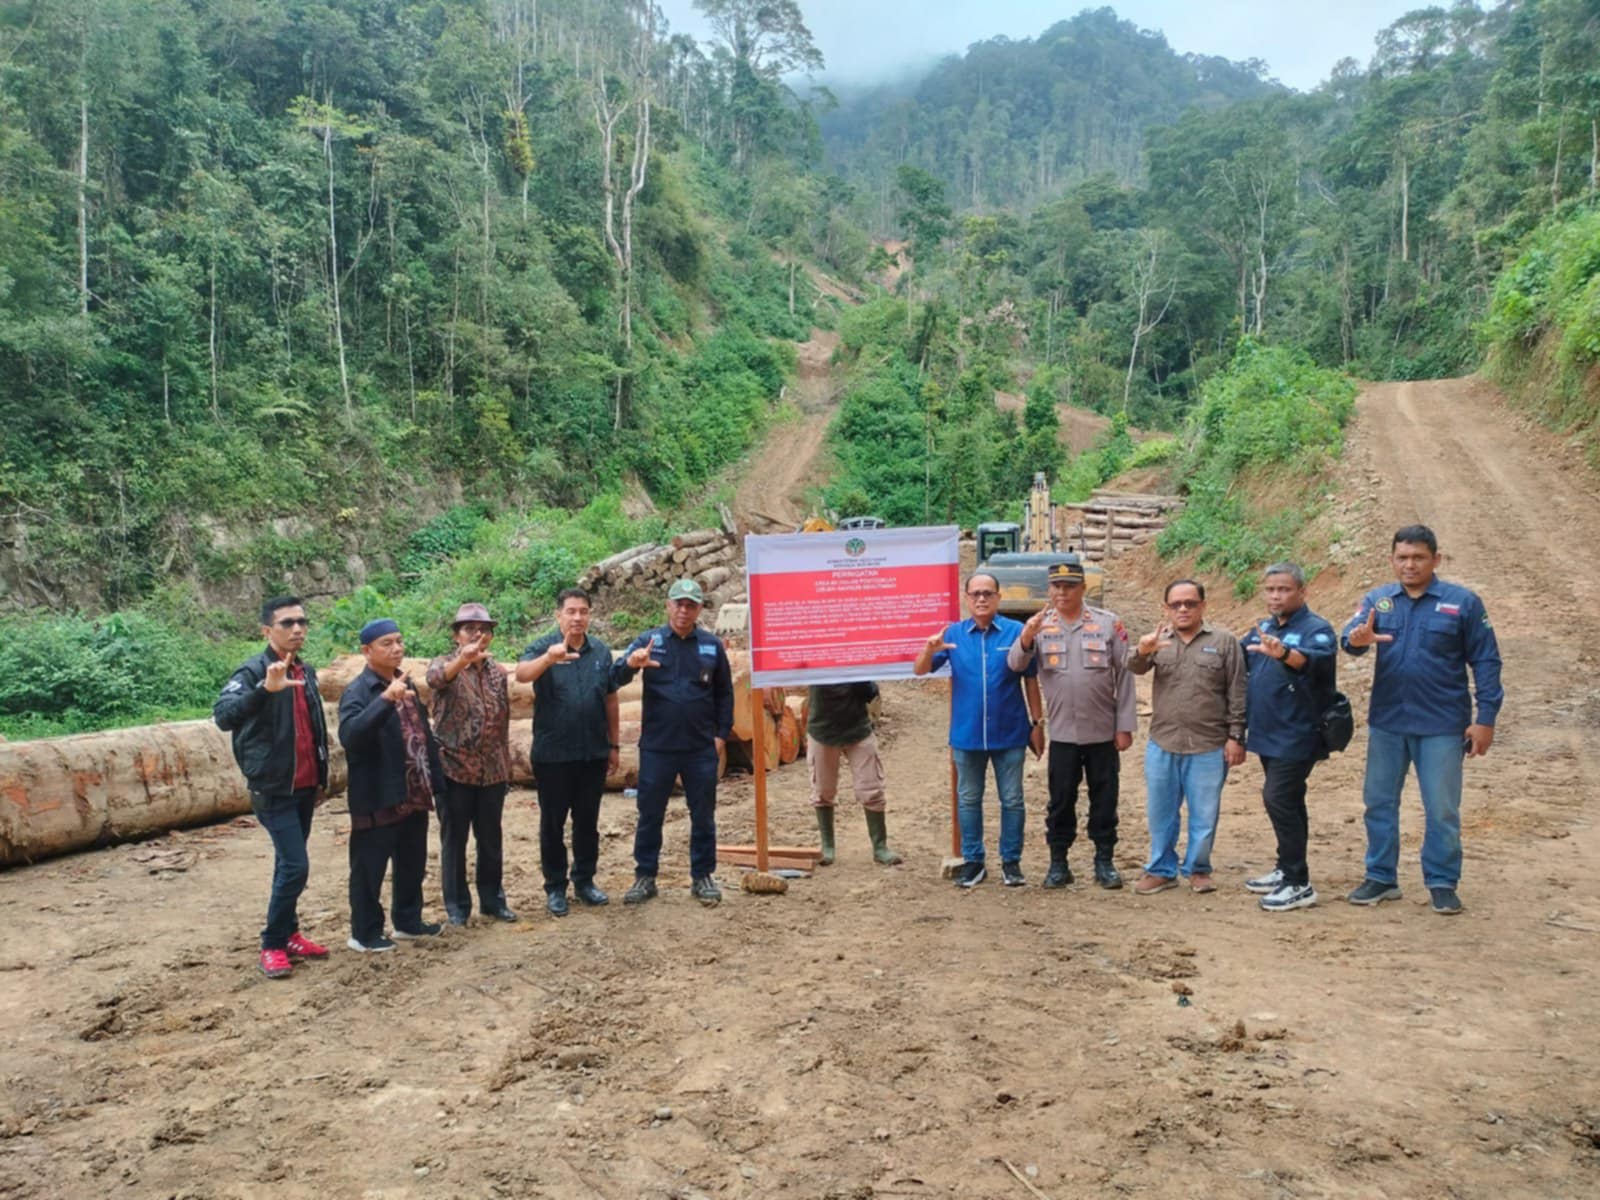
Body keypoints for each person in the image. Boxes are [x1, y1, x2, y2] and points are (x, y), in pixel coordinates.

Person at [1341, 524, 1502, 915]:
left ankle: (1443, 881)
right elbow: (1351, 638)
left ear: (1436, 560)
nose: (1409, 565)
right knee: (1378, 803)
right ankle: (1381, 876)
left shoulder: (1461, 603)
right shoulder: (1379, 601)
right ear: (1392, 560)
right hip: (1388, 722)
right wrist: (1355, 641)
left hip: (1443, 725)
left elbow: (1486, 661)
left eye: (1418, 558)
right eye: (1402, 557)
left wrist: (1486, 718)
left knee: (1442, 808)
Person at [214, 596, 331, 979]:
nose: (296, 629)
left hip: (304, 785)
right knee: (296, 866)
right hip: (273, 788)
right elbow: (224, 716)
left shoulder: (307, 671)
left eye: (301, 621)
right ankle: (272, 944)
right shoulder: (251, 672)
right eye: (286, 623)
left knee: (287, 863)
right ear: (267, 631)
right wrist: (266, 689)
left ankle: (291, 933)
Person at [1007, 558, 1136, 890]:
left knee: (1104, 797)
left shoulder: (1108, 624)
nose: (1062, 592)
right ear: (1049, 589)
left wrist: (1124, 726)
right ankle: (1058, 863)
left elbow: (1125, 676)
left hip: (1102, 731)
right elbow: (1015, 664)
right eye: (1056, 586)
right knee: (1061, 799)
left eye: (1070, 586)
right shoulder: (1039, 625)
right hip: (1063, 732)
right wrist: (1025, 637)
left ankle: (1104, 861)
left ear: (1083, 588)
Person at [913, 571, 1045, 889]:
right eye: (976, 594)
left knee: (1012, 799)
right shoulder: (953, 634)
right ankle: (974, 861)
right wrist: (930, 649)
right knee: (969, 799)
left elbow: (1030, 679)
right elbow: (919, 670)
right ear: (967, 599)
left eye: (988, 593)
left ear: (999, 598)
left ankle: (1011, 863)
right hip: (967, 734)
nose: (982, 599)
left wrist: (1038, 724)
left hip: (1010, 731)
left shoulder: (1017, 632)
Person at [612, 579, 733, 907]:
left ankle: (703, 876)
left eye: (690, 605)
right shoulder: (648, 641)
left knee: (703, 814)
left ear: (698, 610)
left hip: (699, 749)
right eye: (678, 603)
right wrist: (631, 664)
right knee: (650, 813)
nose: (683, 610)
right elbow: (616, 676)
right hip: (658, 747)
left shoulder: (711, 646)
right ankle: (645, 876)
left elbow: (724, 693)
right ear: (667, 605)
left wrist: (721, 735)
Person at [1128, 579, 1246, 895]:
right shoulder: (1158, 641)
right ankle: (1161, 870)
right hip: (1163, 742)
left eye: (1190, 603)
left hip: (1209, 744)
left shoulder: (1224, 642)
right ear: (1166, 609)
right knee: (1161, 813)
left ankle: (1198, 869)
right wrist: (1142, 650)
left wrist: (1236, 736)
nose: (1183, 609)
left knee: (1204, 814)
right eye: (1176, 604)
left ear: (1203, 606)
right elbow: (1133, 667)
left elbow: (1238, 691)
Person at [338, 618, 446, 951]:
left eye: (399, 641)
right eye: (387, 643)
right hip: (378, 794)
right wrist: (385, 699)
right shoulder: (358, 691)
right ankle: (365, 932)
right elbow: (351, 736)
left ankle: (408, 921)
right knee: (370, 866)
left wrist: (437, 783)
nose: (397, 648)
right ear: (366, 651)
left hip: (412, 790)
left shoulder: (406, 683)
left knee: (412, 861)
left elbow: (422, 735)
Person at [1240, 563, 1338, 913]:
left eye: (1283, 589)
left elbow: (1314, 663)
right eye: (1270, 589)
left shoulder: (1317, 629)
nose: (1276, 596)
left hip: (1299, 733)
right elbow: (1239, 658)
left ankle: (1298, 882)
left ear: (1302, 592)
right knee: (1290, 801)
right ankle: (1286, 867)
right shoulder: (1262, 627)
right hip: (1268, 732)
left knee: (1278, 798)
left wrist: (1282, 653)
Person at [519, 588, 621, 917]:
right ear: (558, 615)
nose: (577, 617)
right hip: (553, 754)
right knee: (552, 824)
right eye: (571, 611)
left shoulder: (601, 652)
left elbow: (610, 699)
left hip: (592, 752)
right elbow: (521, 675)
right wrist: (550, 658)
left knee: (587, 823)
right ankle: (555, 887)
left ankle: (585, 881)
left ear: (590, 615)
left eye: (583, 611)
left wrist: (614, 744)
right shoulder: (543, 647)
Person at [424, 603, 518, 926]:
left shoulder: (496, 672)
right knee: (455, 841)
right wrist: (463, 660)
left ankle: (493, 901)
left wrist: (505, 764)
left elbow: (503, 720)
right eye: (469, 629)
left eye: (484, 629)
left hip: (491, 771)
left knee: (491, 839)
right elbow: (435, 680)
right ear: (456, 635)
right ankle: (457, 907)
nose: (478, 635)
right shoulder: (445, 665)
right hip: (454, 770)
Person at [806, 681, 902, 866]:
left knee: (872, 787)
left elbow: (870, 692)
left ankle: (880, 846)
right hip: (822, 729)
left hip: (858, 729)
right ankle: (828, 846)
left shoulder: (854, 654)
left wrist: (858, 678)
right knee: (822, 790)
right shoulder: (815, 655)